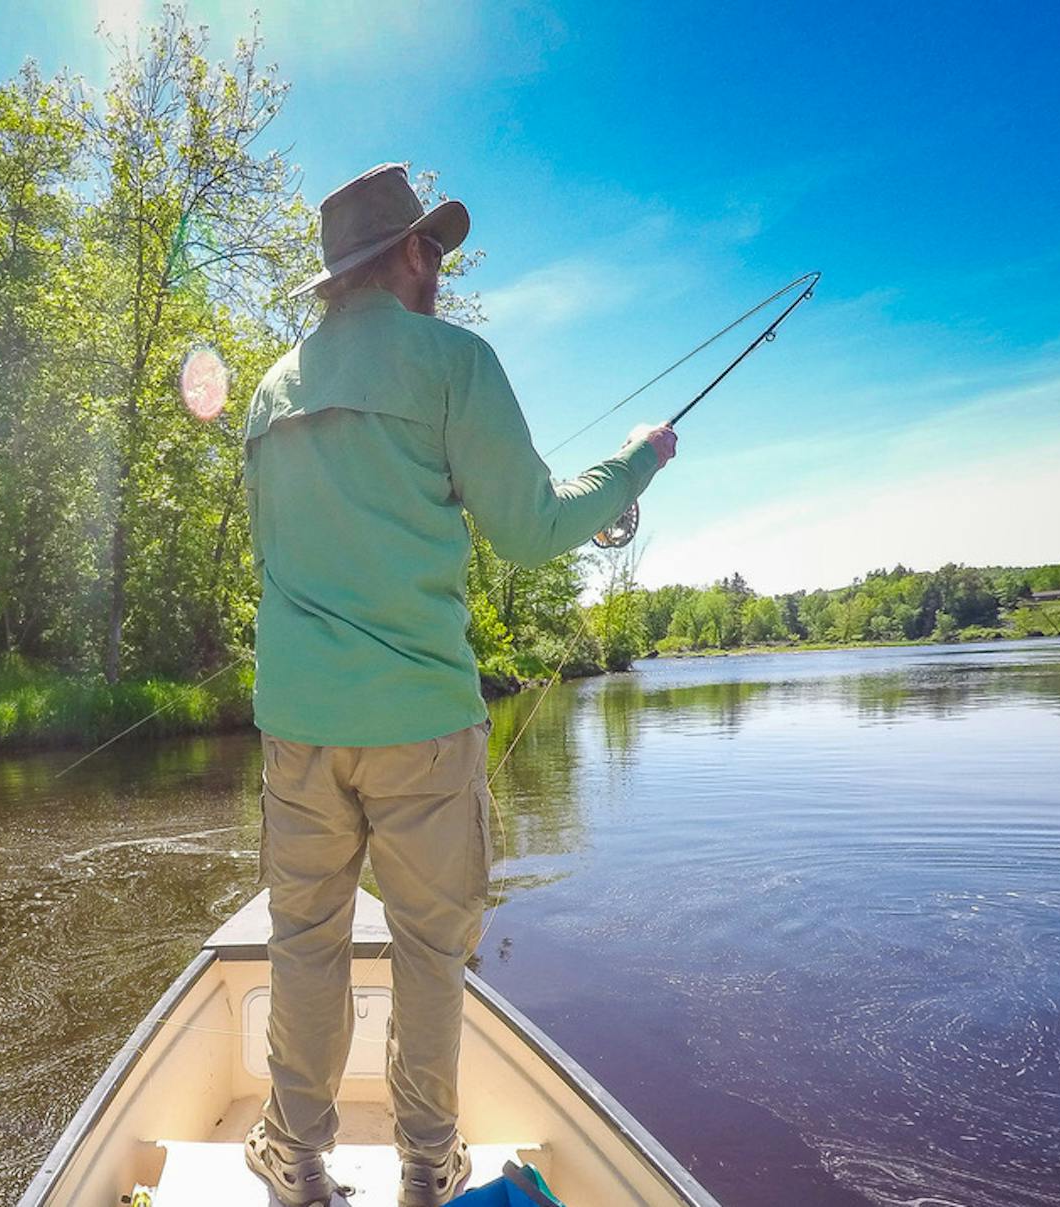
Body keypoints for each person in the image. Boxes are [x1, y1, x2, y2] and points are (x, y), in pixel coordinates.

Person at [240, 162, 677, 1207]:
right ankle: (427, 1167)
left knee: (306, 947)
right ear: (399, 256)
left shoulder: (266, 393)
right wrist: (634, 466)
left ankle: (295, 1162)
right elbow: (531, 530)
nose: (440, 264)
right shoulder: (453, 362)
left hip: (297, 730)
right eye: (431, 246)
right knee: (431, 954)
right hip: (424, 728)